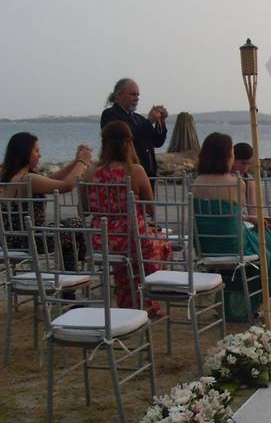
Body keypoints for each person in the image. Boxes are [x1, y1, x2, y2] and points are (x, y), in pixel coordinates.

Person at [192, 133, 271, 288]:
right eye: (231, 154)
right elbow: (237, 217)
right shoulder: (236, 183)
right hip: (234, 245)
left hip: (205, 245)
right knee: (264, 235)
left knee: (262, 235)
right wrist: (251, 218)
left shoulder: (196, 183)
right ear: (225, 157)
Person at [82, 121, 171, 315]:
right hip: (132, 237)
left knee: (131, 255)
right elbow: (150, 208)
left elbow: (84, 208)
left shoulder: (90, 171)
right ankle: (147, 297)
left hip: (100, 239)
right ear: (129, 143)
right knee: (163, 244)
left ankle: (127, 297)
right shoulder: (135, 171)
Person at [0, 132, 91, 269]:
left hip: (9, 241)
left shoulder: (10, 177)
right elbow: (66, 186)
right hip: (34, 240)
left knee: (67, 228)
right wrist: (82, 162)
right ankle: (73, 272)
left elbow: (52, 179)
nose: (40, 155)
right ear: (25, 153)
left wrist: (75, 162)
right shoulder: (28, 178)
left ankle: (73, 272)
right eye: (36, 151)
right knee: (75, 224)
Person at [100, 78, 168, 180]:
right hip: (127, 175)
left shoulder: (139, 118)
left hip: (148, 175)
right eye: (133, 94)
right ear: (119, 95)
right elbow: (129, 136)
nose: (137, 98)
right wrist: (149, 121)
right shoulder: (110, 114)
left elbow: (157, 142)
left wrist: (161, 122)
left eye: (138, 95)